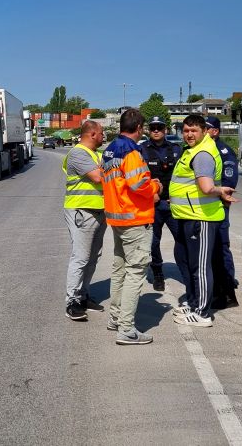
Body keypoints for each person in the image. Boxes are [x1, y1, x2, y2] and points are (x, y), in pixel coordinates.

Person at [169, 114, 238, 327]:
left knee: (200, 266)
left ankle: (202, 313)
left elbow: (206, 187)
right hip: (189, 215)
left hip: (202, 217)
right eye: (186, 131)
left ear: (204, 131)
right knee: (190, 263)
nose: (189, 134)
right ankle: (194, 303)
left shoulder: (203, 154)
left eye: (194, 131)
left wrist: (220, 191)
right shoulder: (193, 150)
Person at [102, 108, 161, 345]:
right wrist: (155, 188)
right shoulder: (132, 152)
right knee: (136, 272)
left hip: (117, 218)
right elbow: (138, 185)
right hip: (135, 218)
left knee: (119, 270)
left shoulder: (109, 150)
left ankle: (115, 318)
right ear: (139, 128)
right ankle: (126, 329)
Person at [62, 120, 107, 321]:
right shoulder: (78, 153)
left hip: (98, 210)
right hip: (82, 210)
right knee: (80, 256)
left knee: (93, 256)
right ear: (92, 134)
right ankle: (72, 301)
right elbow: (99, 177)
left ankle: (83, 295)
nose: (104, 136)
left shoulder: (96, 155)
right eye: (102, 133)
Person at [139, 116, 183, 292]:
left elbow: (183, 176)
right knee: (153, 242)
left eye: (159, 127)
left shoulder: (176, 149)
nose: (156, 130)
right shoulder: (141, 149)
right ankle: (158, 273)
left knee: (182, 239)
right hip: (153, 205)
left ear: (165, 130)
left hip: (172, 204)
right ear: (149, 130)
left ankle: (186, 271)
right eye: (153, 127)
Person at [205, 115, 240, 308]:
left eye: (206, 128)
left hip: (218, 206)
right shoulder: (203, 149)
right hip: (205, 208)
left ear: (215, 131)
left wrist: (223, 202)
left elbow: (229, 182)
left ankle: (227, 290)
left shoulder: (223, 151)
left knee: (220, 247)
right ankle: (219, 286)